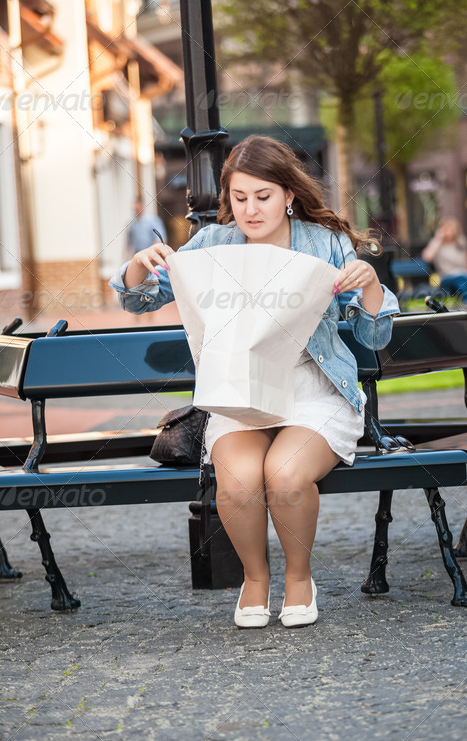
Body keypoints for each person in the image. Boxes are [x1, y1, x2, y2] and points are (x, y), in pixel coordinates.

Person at [110, 136, 399, 629]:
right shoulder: (212, 243)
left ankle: (299, 578)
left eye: (263, 196)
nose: (250, 209)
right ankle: (255, 578)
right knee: (240, 482)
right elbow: (139, 300)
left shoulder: (324, 243)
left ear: (288, 194)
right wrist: (139, 265)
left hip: (313, 391)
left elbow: (373, 335)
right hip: (238, 392)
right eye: (239, 197)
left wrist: (370, 284)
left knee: (284, 476)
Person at [421, 218, 467, 320]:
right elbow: (427, 257)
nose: (449, 232)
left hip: (462, 278)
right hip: (446, 279)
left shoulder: (461, 242)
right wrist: (438, 238)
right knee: (461, 279)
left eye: (451, 229)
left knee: (461, 278)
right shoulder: (437, 243)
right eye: (446, 229)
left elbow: (466, 265)